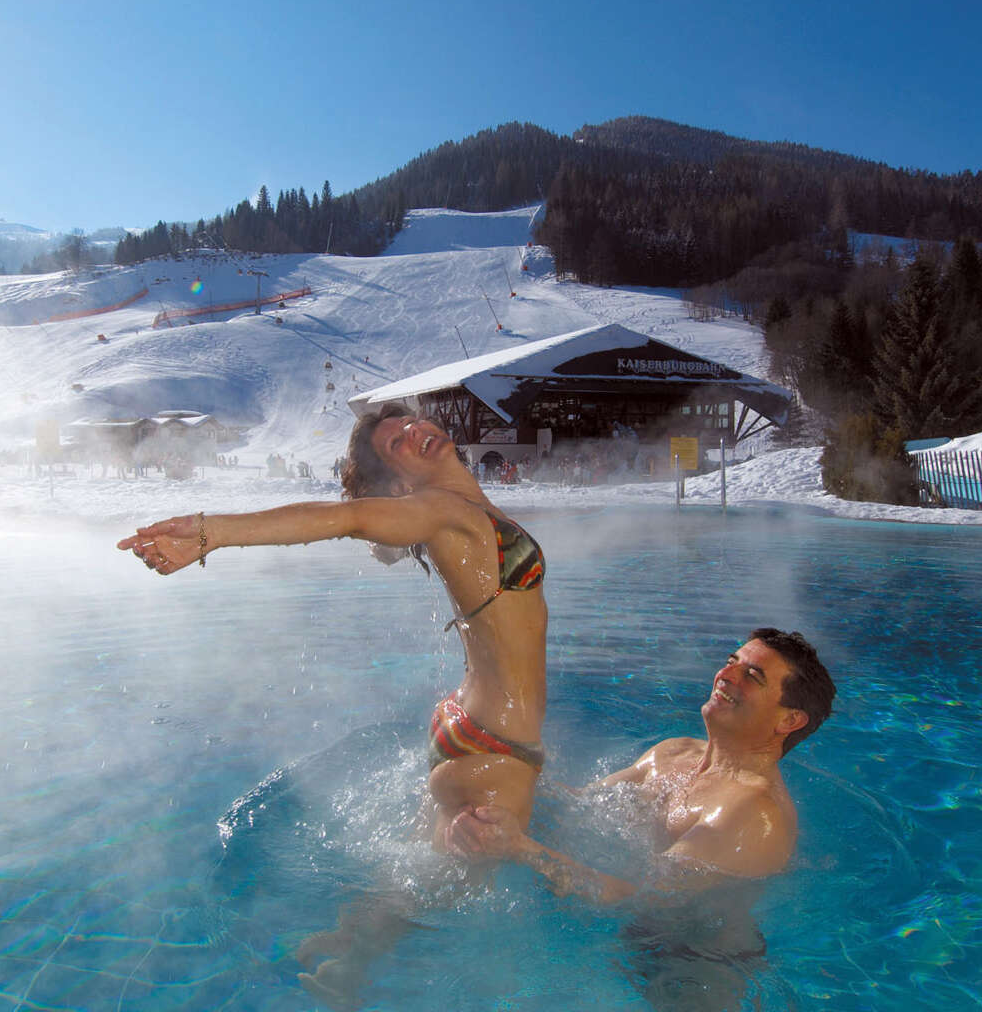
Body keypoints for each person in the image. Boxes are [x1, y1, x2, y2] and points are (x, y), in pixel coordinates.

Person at [117, 403, 549, 1002]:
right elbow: (344, 518)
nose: (414, 435)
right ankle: (346, 973)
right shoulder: (442, 511)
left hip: (469, 725)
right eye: (396, 442)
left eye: (412, 426)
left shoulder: (466, 508)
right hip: (499, 744)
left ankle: (341, 943)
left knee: (427, 870)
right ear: (399, 479)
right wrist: (213, 532)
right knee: (455, 891)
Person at [448, 628, 835, 902]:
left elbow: (643, 899)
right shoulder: (672, 752)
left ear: (789, 720)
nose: (725, 676)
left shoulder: (753, 813)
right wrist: (496, 762)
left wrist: (518, 849)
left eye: (752, 676)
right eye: (731, 662)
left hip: (695, 963)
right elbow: (580, 806)